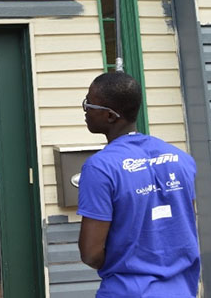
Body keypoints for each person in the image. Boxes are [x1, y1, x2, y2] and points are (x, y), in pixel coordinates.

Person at [77, 72, 200, 297]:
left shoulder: (100, 168)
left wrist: (126, 261)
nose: (85, 109)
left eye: (89, 103)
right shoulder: (181, 159)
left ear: (111, 116)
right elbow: (184, 225)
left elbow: (91, 253)